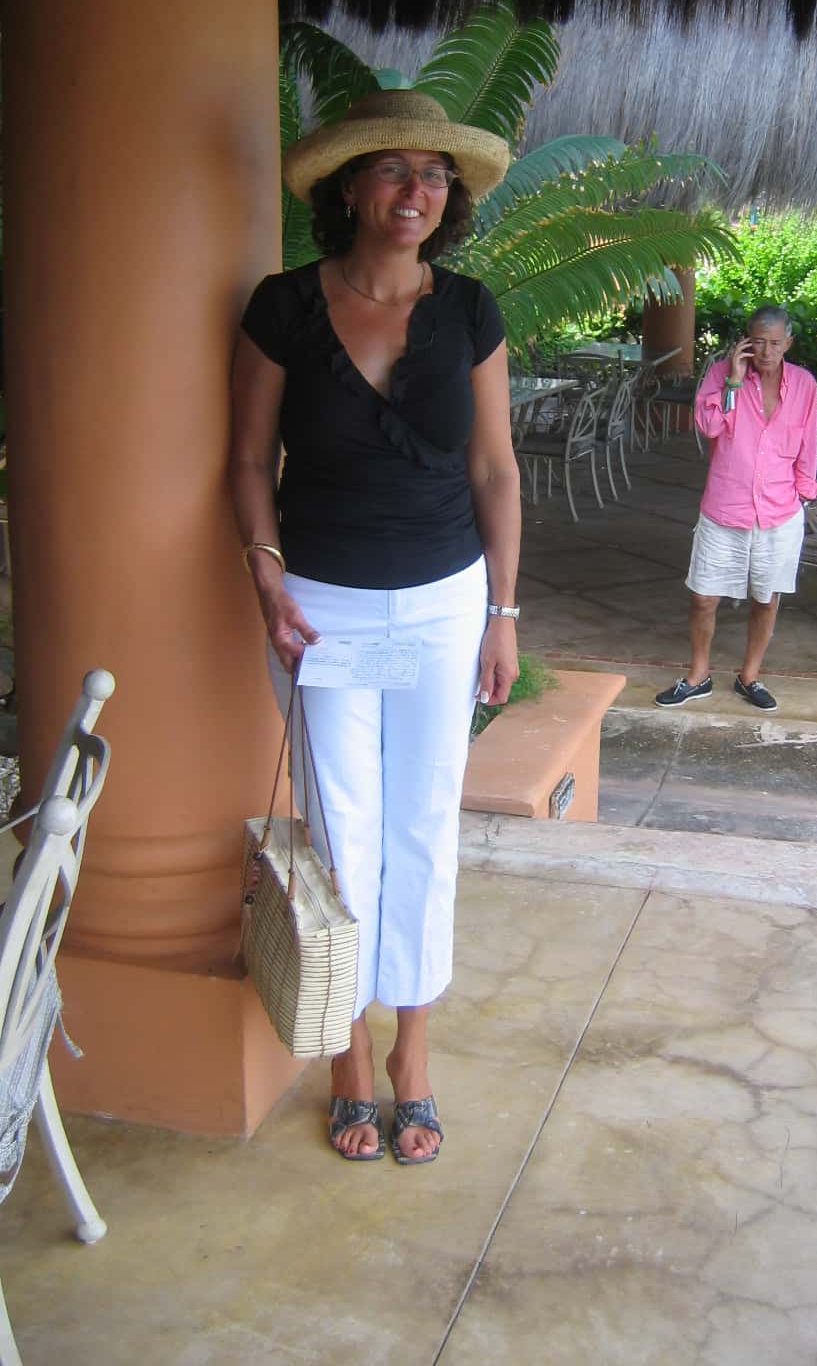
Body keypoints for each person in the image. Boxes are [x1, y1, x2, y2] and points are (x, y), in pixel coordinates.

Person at [230, 89, 521, 1164]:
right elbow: (249, 459)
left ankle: (415, 1052)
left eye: (435, 176)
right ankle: (347, 1052)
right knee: (342, 832)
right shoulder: (284, 307)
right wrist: (266, 577)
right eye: (395, 171)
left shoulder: (471, 309)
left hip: (445, 604)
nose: (417, 192)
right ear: (349, 186)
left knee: (422, 829)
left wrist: (503, 612)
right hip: (324, 612)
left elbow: (495, 467)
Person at [655, 305, 817, 714]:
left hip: (779, 513)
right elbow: (709, 427)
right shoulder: (721, 377)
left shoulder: (803, 384)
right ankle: (698, 676)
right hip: (725, 510)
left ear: (788, 344)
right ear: (745, 341)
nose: (766, 351)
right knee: (704, 598)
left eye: (775, 343)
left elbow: (808, 445)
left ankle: (750, 676)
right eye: (758, 342)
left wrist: (802, 495)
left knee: (766, 599)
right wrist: (732, 380)